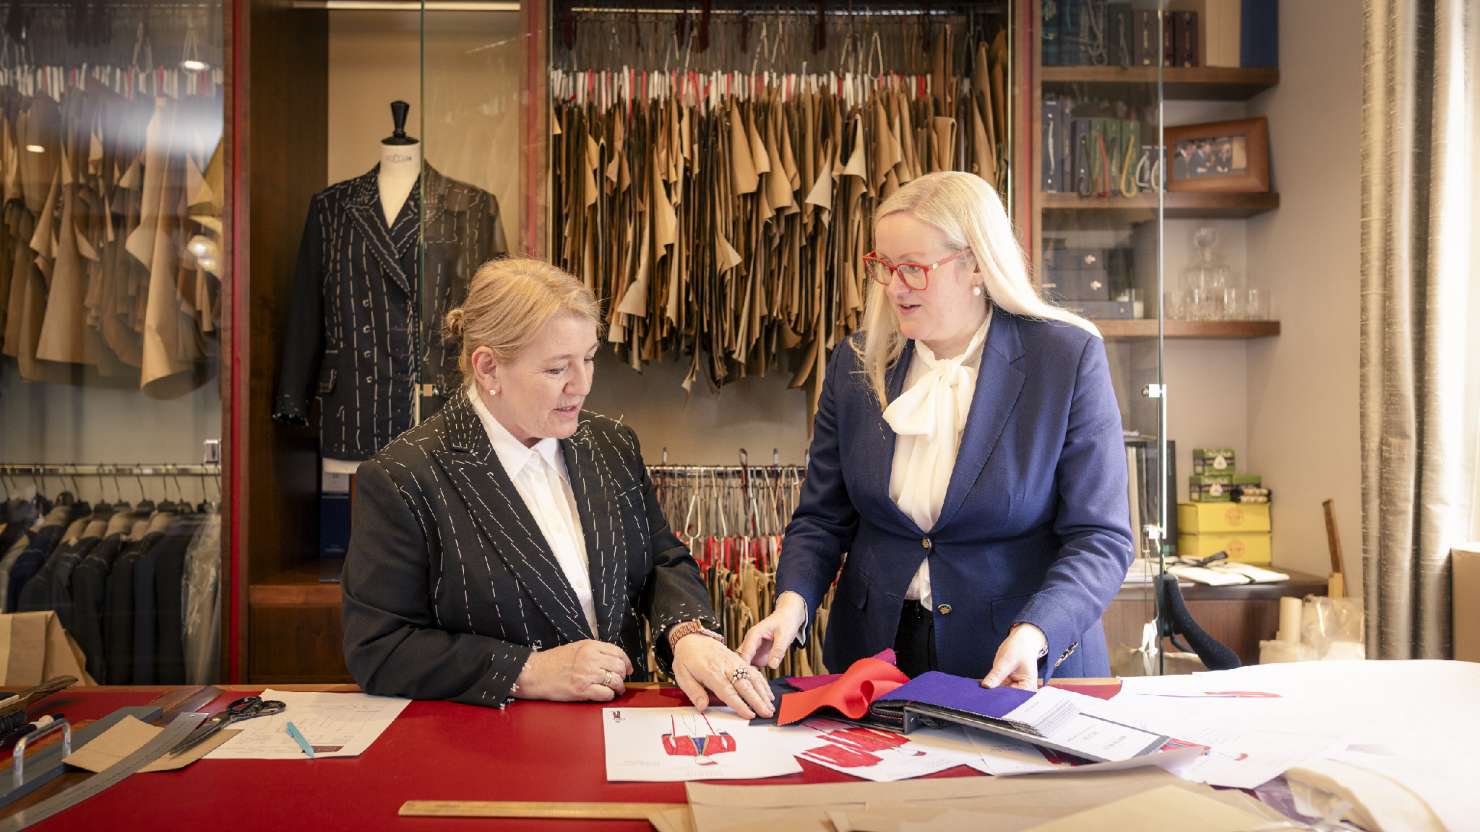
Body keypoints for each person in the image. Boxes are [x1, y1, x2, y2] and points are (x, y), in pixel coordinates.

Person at [739, 172, 1133, 690]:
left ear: (975, 264)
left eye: (914, 269)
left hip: (1018, 661)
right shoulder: (857, 363)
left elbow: (1100, 538)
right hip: (876, 658)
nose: (895, 287)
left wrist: (1037, 630)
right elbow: (821, 519)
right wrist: (793, 603)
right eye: (884, 266)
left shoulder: (1066, 359)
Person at [342, 258, 774, 718]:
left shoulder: (610, 444)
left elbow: (661, 558)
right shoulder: (404, 476)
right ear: (487, 368)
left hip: (623, 733)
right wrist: (527, 670)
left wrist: (687, 634)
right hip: (493, 747)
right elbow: (380, 648)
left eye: (588, 358)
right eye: (556, 370)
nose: (582, 385)